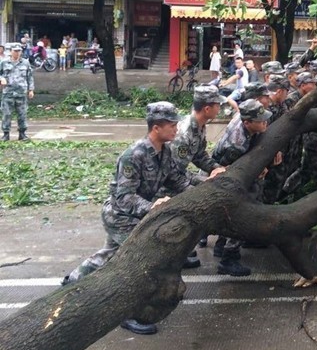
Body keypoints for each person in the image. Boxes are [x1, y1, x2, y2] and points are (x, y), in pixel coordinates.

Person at [61, 102, 192, 335]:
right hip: (120, 216)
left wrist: (207, 184)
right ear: (156, 128)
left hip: (137, 214)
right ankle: (130, 312)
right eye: (172, 125)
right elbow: (124, 198)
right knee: (139, 261)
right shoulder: (134, 155)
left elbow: (178, 180)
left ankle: (74, 280)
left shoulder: (165, 151)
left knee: (109, 254)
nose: (177, 129)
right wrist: (152, 207)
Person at [210, 99, 275, 276]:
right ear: (247, 122)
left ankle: (221, 245)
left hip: (234, 170)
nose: (265, 123)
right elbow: (235, 170)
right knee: (243, 212)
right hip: (229, 175)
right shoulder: (237, 144)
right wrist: (258, 170)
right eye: (261, 121)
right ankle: (228, 258)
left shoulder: (245, 121)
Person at [171, 85, 228, 254]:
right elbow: (174, 173)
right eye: (218, 105)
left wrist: (216, 168)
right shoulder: (184, 133)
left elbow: (199, 155)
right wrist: (202, 181)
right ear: (207, 108)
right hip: (165, 183)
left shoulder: (200, 125)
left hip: (178, 176)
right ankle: (178, 252)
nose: (220, 108)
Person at [0, 43, 35, 142]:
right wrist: (1, 79)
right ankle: (6, 134)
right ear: (11, 51)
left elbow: (29, 76)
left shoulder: (25, 63)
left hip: (21, 93)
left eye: (19, 51)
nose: (17, 53)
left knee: (22, 114)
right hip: (8, 93)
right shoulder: (4, 62)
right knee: (6, 114)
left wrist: (31, 90)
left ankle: (22, 134)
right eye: (15, 51)